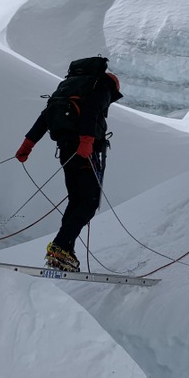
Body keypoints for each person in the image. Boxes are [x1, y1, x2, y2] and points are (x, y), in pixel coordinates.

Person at [14, 64, 123, 271]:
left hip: (65, 151)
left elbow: (45, 117)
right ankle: (61, 246)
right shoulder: (102, 87)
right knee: (89, 202)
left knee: (76, 200)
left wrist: (27, 145)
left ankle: (64, 253)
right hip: (86, 151)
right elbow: (91, 111)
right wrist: (86, 141)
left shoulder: (69, 89)